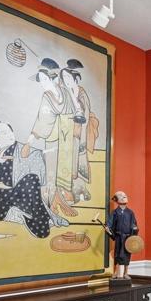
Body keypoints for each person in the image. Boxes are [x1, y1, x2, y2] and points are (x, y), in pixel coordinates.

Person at [0, 121, 64, 238]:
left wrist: (33, 154)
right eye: (4, 133)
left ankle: (26, 215)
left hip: (18, 194)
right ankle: (19, 215)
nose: (10, 135)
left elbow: (37, 167)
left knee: (32, 179)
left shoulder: (22, 149)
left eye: (10, 131)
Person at [21, 58, 78, 217]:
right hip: (52, 138)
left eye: (45, 79)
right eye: (41, 80)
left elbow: (74, 110)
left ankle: (60, 198)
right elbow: (42, 120)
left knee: (64, 169)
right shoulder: (47, 96)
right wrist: (28, 143)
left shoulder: (65, 92)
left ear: (53, 78)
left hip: (66, 137)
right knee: (51, 171)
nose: (43, 84)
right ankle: (51, 201)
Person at [60, 58, 99, 203]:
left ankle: (81, 188)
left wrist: (73, 95)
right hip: (66, 132)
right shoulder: (64, 92)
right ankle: (68, 190)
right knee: (68, 162)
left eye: (68, 77)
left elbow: (84, 112)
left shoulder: (80, 92)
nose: (66, 80)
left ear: (75, 78)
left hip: (79, 132)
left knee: (80, 160)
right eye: (64, 77)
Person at [107, 191, 138, 278]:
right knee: (117, 255)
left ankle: (126, 273)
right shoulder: (115, 212)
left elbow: (134, 224)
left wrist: (134, 230)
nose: (124, 196)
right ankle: (115, 272)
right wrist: (108, 228)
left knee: (127, 255)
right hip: (119, 237)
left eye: (125, 195)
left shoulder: (130, 212)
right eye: (121, 195)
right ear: (116, 199)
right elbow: (110, 223)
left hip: (128, 237)